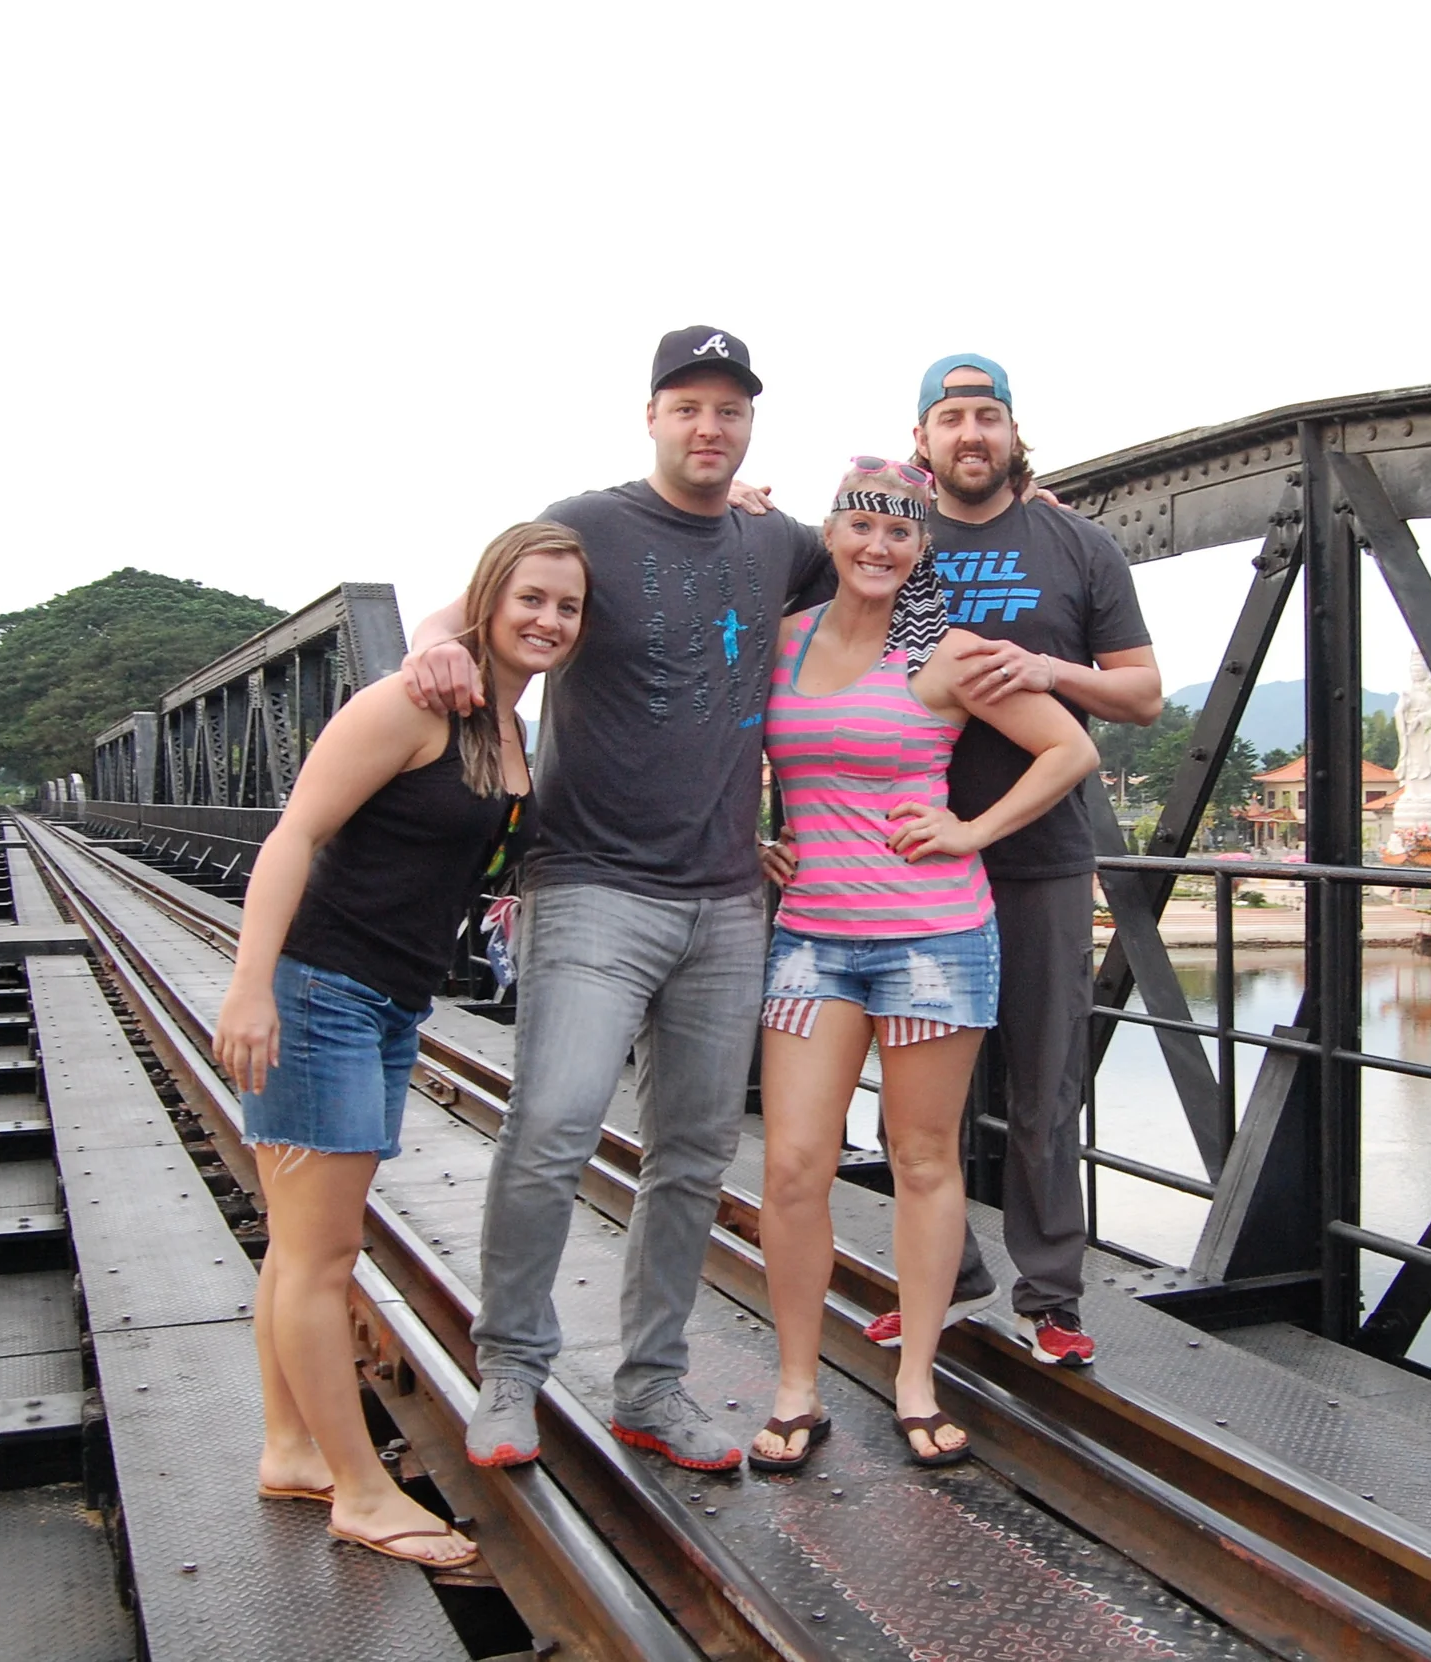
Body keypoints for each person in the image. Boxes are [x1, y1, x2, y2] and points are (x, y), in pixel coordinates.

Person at [400, 327, 830, 1473]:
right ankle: (510, 1376)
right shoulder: (586, 522)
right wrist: (430, 656)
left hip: (728, 902)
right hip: (590, 885)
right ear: (651, 415)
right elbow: (460, 613)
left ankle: (652, 1386)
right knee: (550, 1130)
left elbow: (900, 595)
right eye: (688, 406)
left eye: (729, 411)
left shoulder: (779, 541)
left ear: (749, 427)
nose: (709, 427)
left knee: (690, 1156)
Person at [213, 522, 589, 1566]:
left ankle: (291, 1447)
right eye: (531, 600)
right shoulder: (414, 703)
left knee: (303, 1247)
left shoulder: (507, 725)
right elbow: (294, 833)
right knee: (322, 1259)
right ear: (487, 598)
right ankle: (361, 1491)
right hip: (318, 990)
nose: (549, 620)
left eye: (567, 606)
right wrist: (251, 990)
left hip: (386, 1002)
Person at [748, 459, 1095, 1471]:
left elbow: (1066, 750)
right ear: (832, 535)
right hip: (813, 937)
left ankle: (916, 1378)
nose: (877, 545)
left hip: (933, 940)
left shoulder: (945, 655)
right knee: (793, 1164)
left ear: (918, 551)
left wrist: (969, 828)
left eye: (900, 532)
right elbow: (722, 740)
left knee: (924, 1159)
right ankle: (796, 1385)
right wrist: (748, 836)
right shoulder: (782, 643)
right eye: (860, 525)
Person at [880, 354, 1164, 1367]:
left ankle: (1049, 1296)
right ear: (922, 439)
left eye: (986, 416)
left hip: (1041, 857)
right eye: (950, 416)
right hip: (909, 857)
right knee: (922, 1091)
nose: (970, 434)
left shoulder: (1077, 546)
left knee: (1045, 1085)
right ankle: (941, 1277)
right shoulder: (887, 541)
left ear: (1011, 433)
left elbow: (1142, 695)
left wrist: (1051, 667)